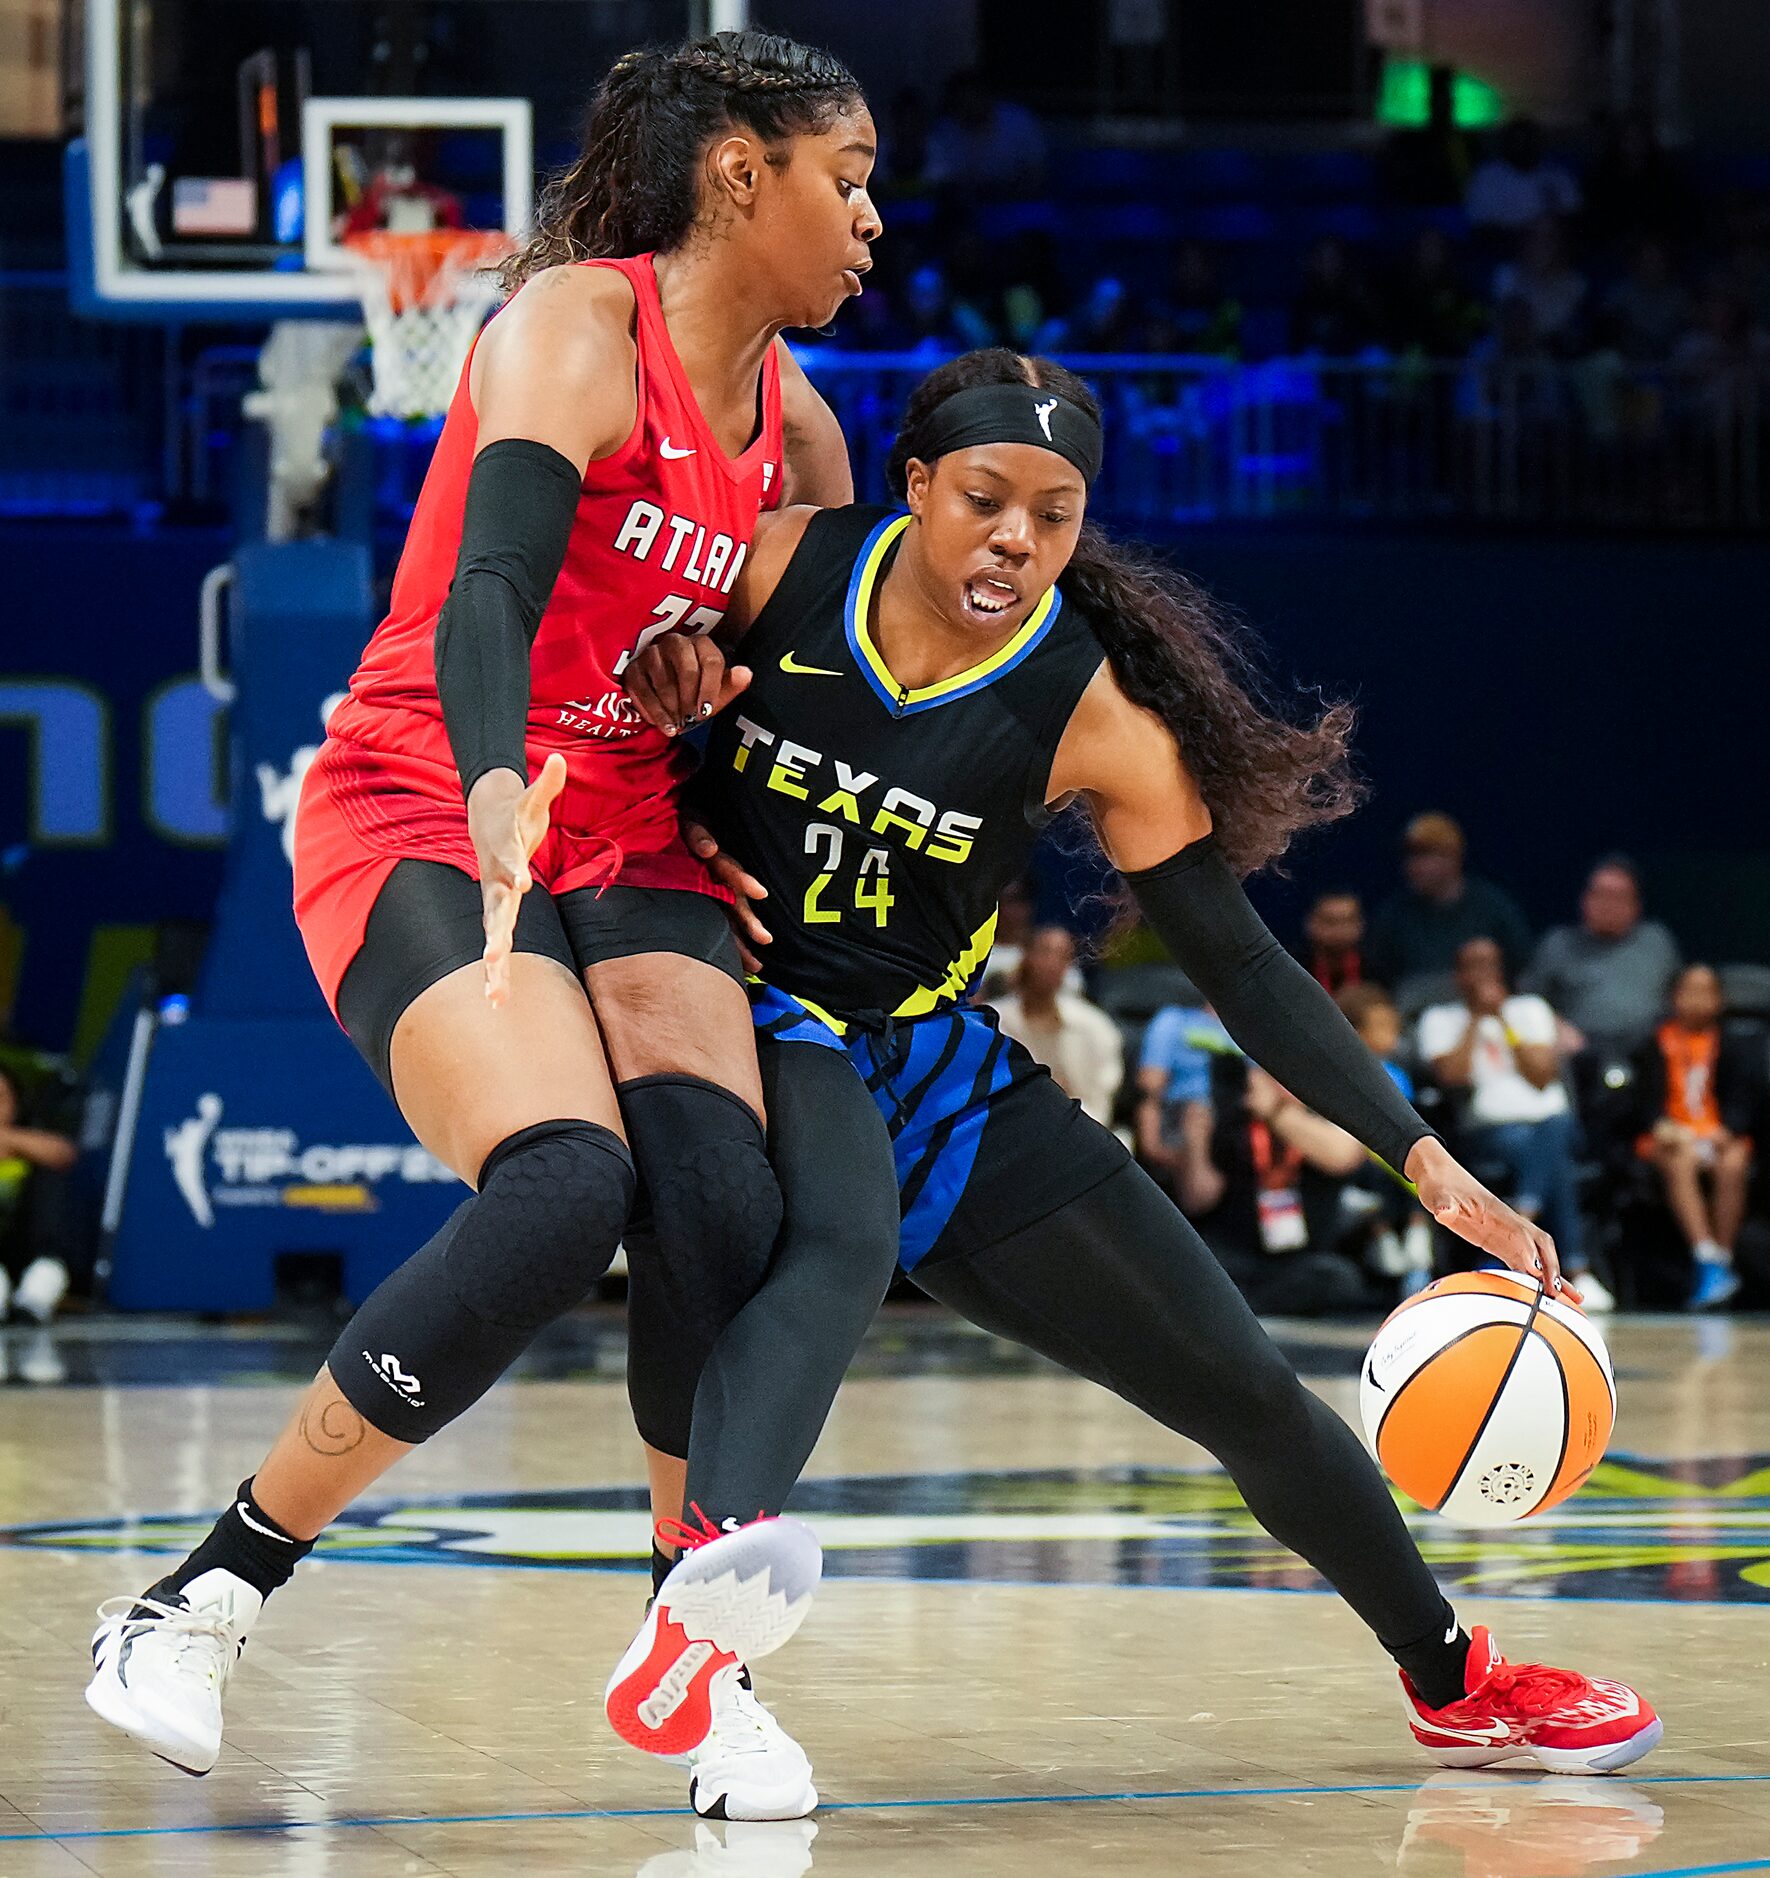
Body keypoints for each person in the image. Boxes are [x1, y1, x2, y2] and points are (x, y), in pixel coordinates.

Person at [610, 348, 1657, 1810]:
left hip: (932, 1053)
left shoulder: (1088, 713)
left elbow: (1236, 962)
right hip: (749, 1016)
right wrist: (652, 733)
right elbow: (586, 708)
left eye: (1052, 513)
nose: (1015, 540)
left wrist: (1419, 1154)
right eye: (983, 499)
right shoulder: (774, 569)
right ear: (912, 485)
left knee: (1242, 1382)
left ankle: (1452, 1680)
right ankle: (700, 1636)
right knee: (841, 1240)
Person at [84, 29, 880, 1802]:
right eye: (849, 176)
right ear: (740, 175)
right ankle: (204, 1592)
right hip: (432, 785)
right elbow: (497, 581)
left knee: (722, 1200)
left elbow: (782, 699)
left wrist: (714, 709)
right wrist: (504, 772)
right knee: (564, 1183)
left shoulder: (803, 433)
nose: (872, 220)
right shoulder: (568, 331)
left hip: (635, 826)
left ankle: (697, 1652)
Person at [1418, 937, 1609, 1308]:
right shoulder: (1440, 1019)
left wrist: (1502, 1019)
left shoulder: (1529, 1010)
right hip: (1490, 1131)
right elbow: (1451, 1076)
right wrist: (1476, 1020)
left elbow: (1541, 1075)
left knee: (1551, 1131)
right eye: (1472, 966)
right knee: (1553, 1159)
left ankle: (1523, 1214)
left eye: (1489, 965)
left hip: (1553, 1123)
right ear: (1458, 976)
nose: (1482, 975)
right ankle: (1576, 1267)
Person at [1189, 1059, 1376, 1317]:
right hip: (1234, 1255)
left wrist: (1276, 1112)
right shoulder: (1229, 1113)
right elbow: (1196, 1198)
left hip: (1303, 1261)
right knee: (1197, 1271)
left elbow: (1343, 1157)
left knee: (1339, 1278)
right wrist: (1195, 1143)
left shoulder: (1322, 1115)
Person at [1629, 964, 1760, 1310]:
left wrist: (1727, 1129)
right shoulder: (1653, 1043)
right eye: (1690, 990)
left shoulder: (1733, 1044)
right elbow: (1640, 1103)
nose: (1697, 1000)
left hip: (1716, 1133)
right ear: (1674, 997)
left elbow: (1744, 1100)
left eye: (1706, 991)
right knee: (1680, 1157)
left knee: (1734, 1160)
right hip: (1670, 1137)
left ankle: (1722, 1260)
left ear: (1719, 1000)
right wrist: (1661, 1125)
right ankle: (1704, 1255)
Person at [1525, 855, 1681, 1053]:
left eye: (1618, 897)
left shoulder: (1657, 941)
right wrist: (1556, 1025)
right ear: (1585, 900)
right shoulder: (1558, 944)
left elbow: (1681, 997)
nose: (1608, 905)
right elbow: (1528, 1002)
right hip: (1580, 1054)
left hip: (1649, 1054)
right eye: (1601, 894)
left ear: (1636, 905)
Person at [1366, 812, 1532, 989]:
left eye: (1426, 856)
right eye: (1410, 856)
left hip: (1481, 1008)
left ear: (1453, 857)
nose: (1414, 866)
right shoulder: (1392, 917)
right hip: (1413, 1012)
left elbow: (1521, 968)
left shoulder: (1494, 908)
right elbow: (1379, 980)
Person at [988, 926, 1123, 1126]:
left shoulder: (1095, 1027)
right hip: (1007, 1125)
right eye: (1044, 952)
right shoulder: (992, 1020)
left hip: (1077, 1128)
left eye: (1062, 956)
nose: (1051, 964)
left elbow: (1101, 1103)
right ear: (1025, 956)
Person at [1136, 999, 1238, 1205]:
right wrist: (1152, 1144)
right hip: (1180, 1114)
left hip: (1237, 1115)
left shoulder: (1249, 1029)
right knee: (1196, 1115)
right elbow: (1150, 1088)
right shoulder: (1173, 1021)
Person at [0, 1062, 80, 1323]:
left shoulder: (31, 1143)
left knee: (47, 1270)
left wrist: (10, 1139)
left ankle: (33, 1299)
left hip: (26, 1250)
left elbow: (63, 1153)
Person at [1465, 118, 1581, 234]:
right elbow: (1478, 223)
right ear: (1506, 144)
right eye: (1517, 141)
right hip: (1503, 242)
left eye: (1529, 140)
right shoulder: (1487, 176)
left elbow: (1572, 215)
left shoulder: (1556, 174)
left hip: (1549, 241)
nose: (1523, 146)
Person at [1295, 888, 1366, 994]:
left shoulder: (1378, 969)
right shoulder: (1294, 966)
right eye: (1330, 922)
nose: (1339, 931)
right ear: (1311, 923)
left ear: (1360, 924)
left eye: (1347, 922)